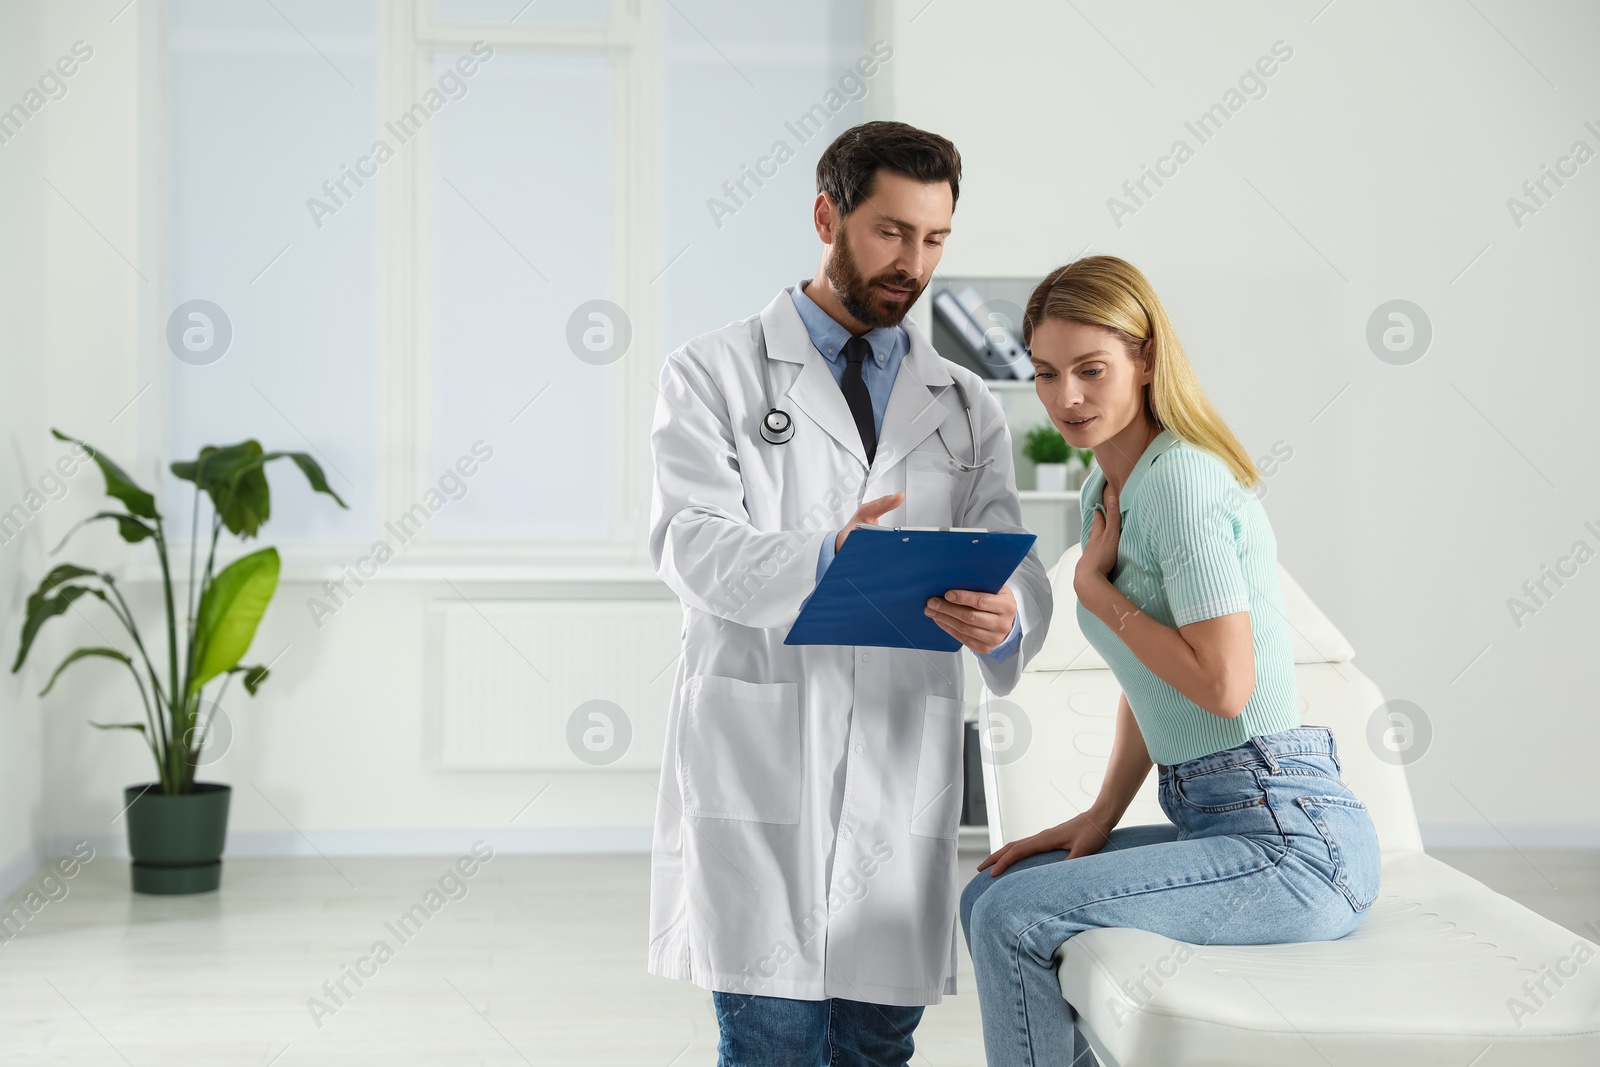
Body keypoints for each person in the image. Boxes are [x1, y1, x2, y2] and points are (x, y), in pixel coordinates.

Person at [646, 120, 1054, 1066]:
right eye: (890, 231)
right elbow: (688, 542)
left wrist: (1008, 616)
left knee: (877, 1045)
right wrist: (826, 558)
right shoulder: (712, 373)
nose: (914, 262)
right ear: (827, 215)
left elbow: (1014, 558)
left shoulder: (964, 401)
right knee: (775, 1043)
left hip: (899, 767)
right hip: (762, 758)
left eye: (935, 238)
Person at [959, 255, 1382, 1067]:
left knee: (1014, 917)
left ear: (1146, 358)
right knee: (988, 891)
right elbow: (1155, 682)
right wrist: (1099, 816)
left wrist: (1092, 587)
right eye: (1046, 373)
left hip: (1292, 840)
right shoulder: (1104, 492)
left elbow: (1224, 686)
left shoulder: (1180, 480)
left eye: (1091, 369)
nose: (1066, 397)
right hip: (1217, 815)